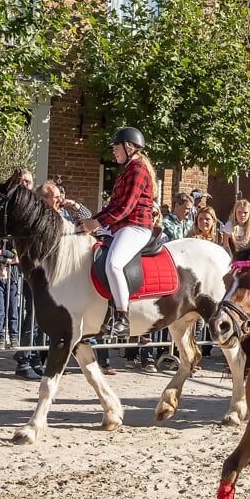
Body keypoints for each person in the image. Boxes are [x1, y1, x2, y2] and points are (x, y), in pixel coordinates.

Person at [81, 127, 157, 340]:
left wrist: (96, 222)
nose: (113, 151)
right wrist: (90, 222)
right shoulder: (128, 170)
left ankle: (122, 317)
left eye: (116, 147)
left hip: (136, 226)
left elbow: (126, 207)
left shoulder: (138, 170)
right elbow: (112, 205)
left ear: (129, 147)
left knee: (113, 263)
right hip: (121, 226)